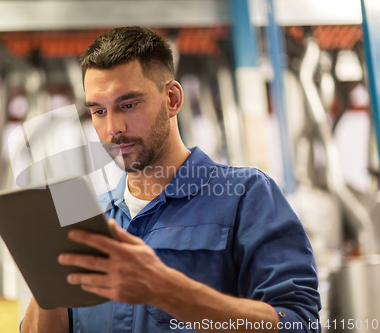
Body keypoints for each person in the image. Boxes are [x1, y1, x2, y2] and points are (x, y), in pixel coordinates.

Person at [21, 26, 321, 333]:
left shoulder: (244, 197)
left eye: (128, 105)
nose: (113, 128)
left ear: (173, 99)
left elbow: (300, 325)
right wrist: (47, 275)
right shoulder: (88, 220)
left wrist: (165, 289)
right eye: (99, 111)